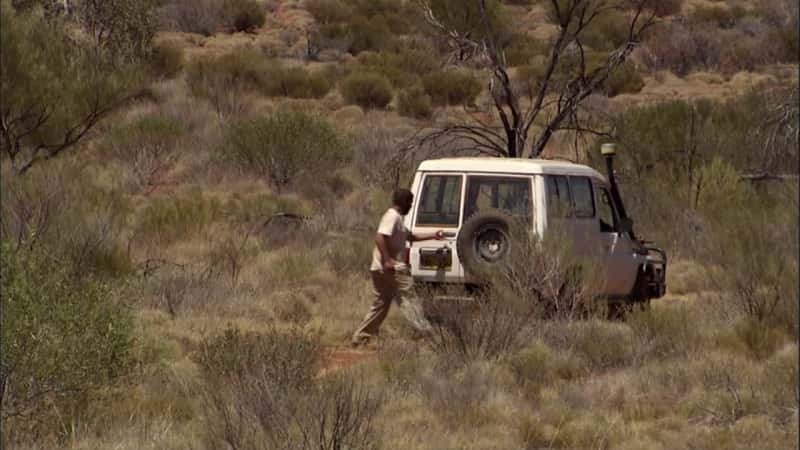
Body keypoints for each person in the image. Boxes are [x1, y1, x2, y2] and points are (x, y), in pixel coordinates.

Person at [351, 188, 444, 347]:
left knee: (381, 303)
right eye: (410, 202)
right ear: (404, 202)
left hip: (379, 268)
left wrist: (434, 235)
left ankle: (360, 337)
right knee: (409, 299)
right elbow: (380, 237)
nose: (411, 206)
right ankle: (431, 338)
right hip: (391, 268)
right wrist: (388, 261)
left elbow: (411, 236)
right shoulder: (392, 217)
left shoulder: (398, 220)